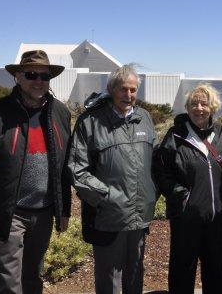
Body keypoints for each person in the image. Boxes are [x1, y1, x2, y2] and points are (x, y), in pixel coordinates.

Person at [0, 50, 71, 294]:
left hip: (44, 213)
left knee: (33, 278)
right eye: (31, 74)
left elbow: (64, 167)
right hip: (10, 214)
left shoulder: (60, 113)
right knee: (9, 284)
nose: (38, 81)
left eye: (44, 76)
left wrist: (63, 208)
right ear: (17, 77)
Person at [68, 64, 158, 294]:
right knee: (110, 281)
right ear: (111, 89)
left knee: (135, 275)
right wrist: (108, 198)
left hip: (139, 216)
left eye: (133, 90)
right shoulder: (90, 122)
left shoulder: (144, 118)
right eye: (123, 89)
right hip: (108, 216)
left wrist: (151, 194)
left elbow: (157, 163)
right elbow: (77, 169)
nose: (128, 95)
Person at [153, 83, 222, 294]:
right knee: (182, 271)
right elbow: (160, 172)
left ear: (213, 107)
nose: (199, 108)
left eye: (204, 103)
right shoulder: (175, 136)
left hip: (215, 216)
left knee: (215, 271)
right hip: (186, 217)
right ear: (187, 107)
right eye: (194, 103)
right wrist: (181, 196)